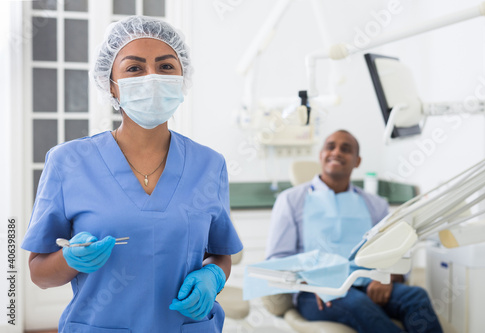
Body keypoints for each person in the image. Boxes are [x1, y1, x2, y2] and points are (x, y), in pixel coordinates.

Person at [21, 15, 243, 332]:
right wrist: (70, 260)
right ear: (110, 83)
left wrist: (213, 276)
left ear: (182, 78)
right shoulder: (68, 162)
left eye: (166, 66)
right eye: (135, 68)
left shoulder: (209, 164)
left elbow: (220, 254)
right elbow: (39, 273)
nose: (152, 77)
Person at [266, 130, 443, 333]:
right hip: (315, 292)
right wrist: (311, 281)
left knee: (416, 297)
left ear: (357, 161)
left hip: (369, 284)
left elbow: (396, 252)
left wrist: (386, 277)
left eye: (346, 149)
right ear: (321, 155)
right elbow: (276, 259)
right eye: (330, 147)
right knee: (357, 303)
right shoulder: (290, 200)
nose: (337, 152)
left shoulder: (375, 205)